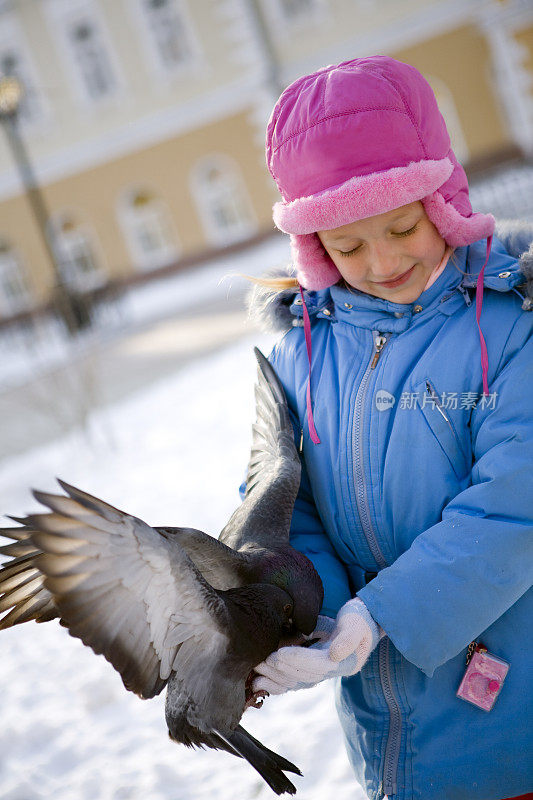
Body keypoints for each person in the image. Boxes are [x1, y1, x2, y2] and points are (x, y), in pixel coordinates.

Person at [245, 56, 533, 800]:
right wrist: (298, 614)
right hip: (390, 739)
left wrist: (378, 615)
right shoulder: (301, 350)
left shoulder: (512, 328)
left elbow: (514, 505)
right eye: (345, 246)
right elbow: (286, 503)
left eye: (401, 226)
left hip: (515, 723)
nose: (380, 262)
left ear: (440, 200)